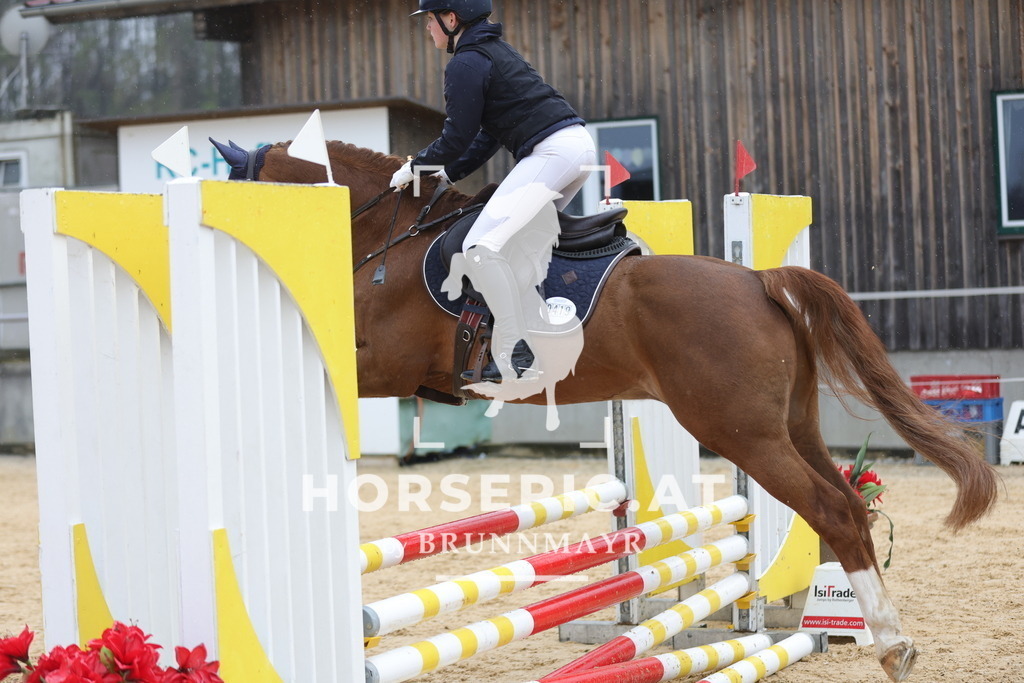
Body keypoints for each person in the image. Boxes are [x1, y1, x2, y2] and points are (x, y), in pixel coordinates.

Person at [390, 0, 596, 383]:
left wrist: (415, 166)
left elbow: (457, 137)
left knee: (480, 247)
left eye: (430, 20)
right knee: (515, 244)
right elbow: (485, 137)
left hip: (552, 151)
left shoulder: (466, 62)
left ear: (451, 19)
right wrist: (448, 176)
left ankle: (518, 350)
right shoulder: (492, 51)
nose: (427, 29)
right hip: (575, 148)